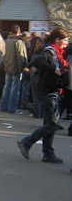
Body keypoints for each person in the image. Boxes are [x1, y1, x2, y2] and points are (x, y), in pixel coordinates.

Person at [17, 27, 69, 164]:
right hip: (46, 91)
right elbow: (36, 61)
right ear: (57, 39)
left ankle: (48, 153)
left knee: (49, 123)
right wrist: (54, 69)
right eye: (65, 40)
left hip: (52, 90)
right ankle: (27, 142)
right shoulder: (49, 51)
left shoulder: (56, 52)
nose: (66, 43)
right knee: (53, 123)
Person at [0, 25, 28, 114]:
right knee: (15, 89)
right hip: (16, 68)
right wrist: (22, 68)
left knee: (7, 87)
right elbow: (20, 57)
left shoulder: (6, 41)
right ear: (19, 32)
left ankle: (3, 107)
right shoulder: (18, 42)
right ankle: (12, 108)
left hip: (7, 67)